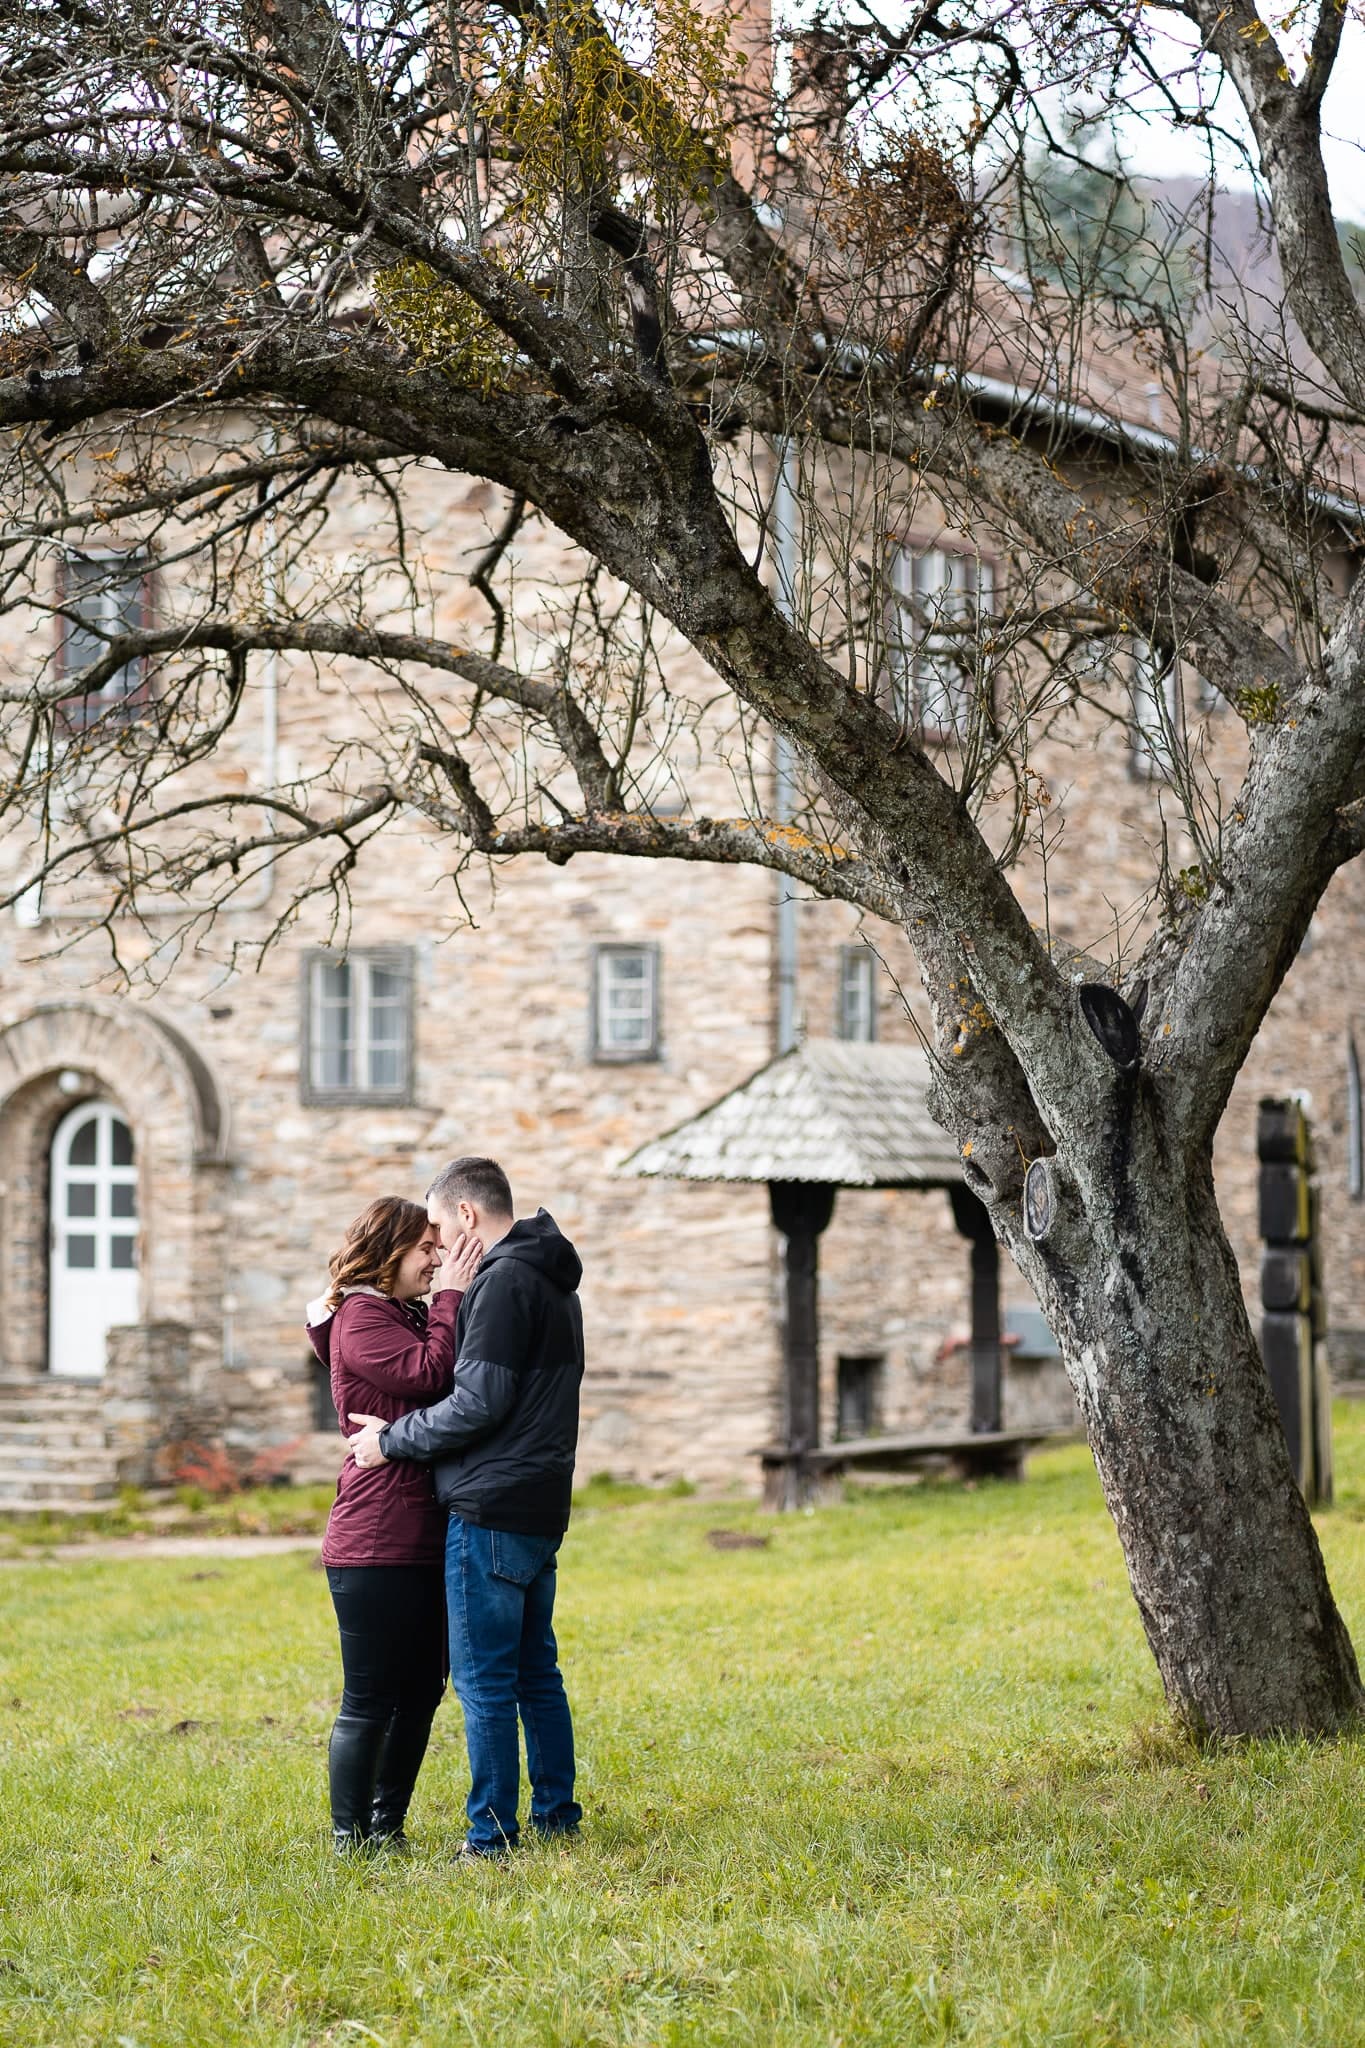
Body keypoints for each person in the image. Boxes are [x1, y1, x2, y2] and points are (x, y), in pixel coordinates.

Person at [348, 1156, 585, 1860]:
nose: (438, 1246)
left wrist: (390, 1440)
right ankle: (555, 1816)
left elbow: (476, 1404)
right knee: (535, 1670)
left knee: (484, 1679)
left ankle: (490, 1838)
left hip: (489, 1504)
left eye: (437, 1227)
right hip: (540, 1500)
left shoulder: (502, 1282)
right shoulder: (550, 1275)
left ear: (466, 1216)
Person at [307, 1195, 482, 1854]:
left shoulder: (399, 1313)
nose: (437, 1262)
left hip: (425, 1532)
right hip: (374, 1540)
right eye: (426, 1251)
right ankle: (351, 1839)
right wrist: (454, 1297)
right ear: (389, 1251)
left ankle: (388, 1828)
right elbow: (429, 1372)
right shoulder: (362, 1316)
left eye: (440, 1251)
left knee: (420, 1692)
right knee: (370, 1698)